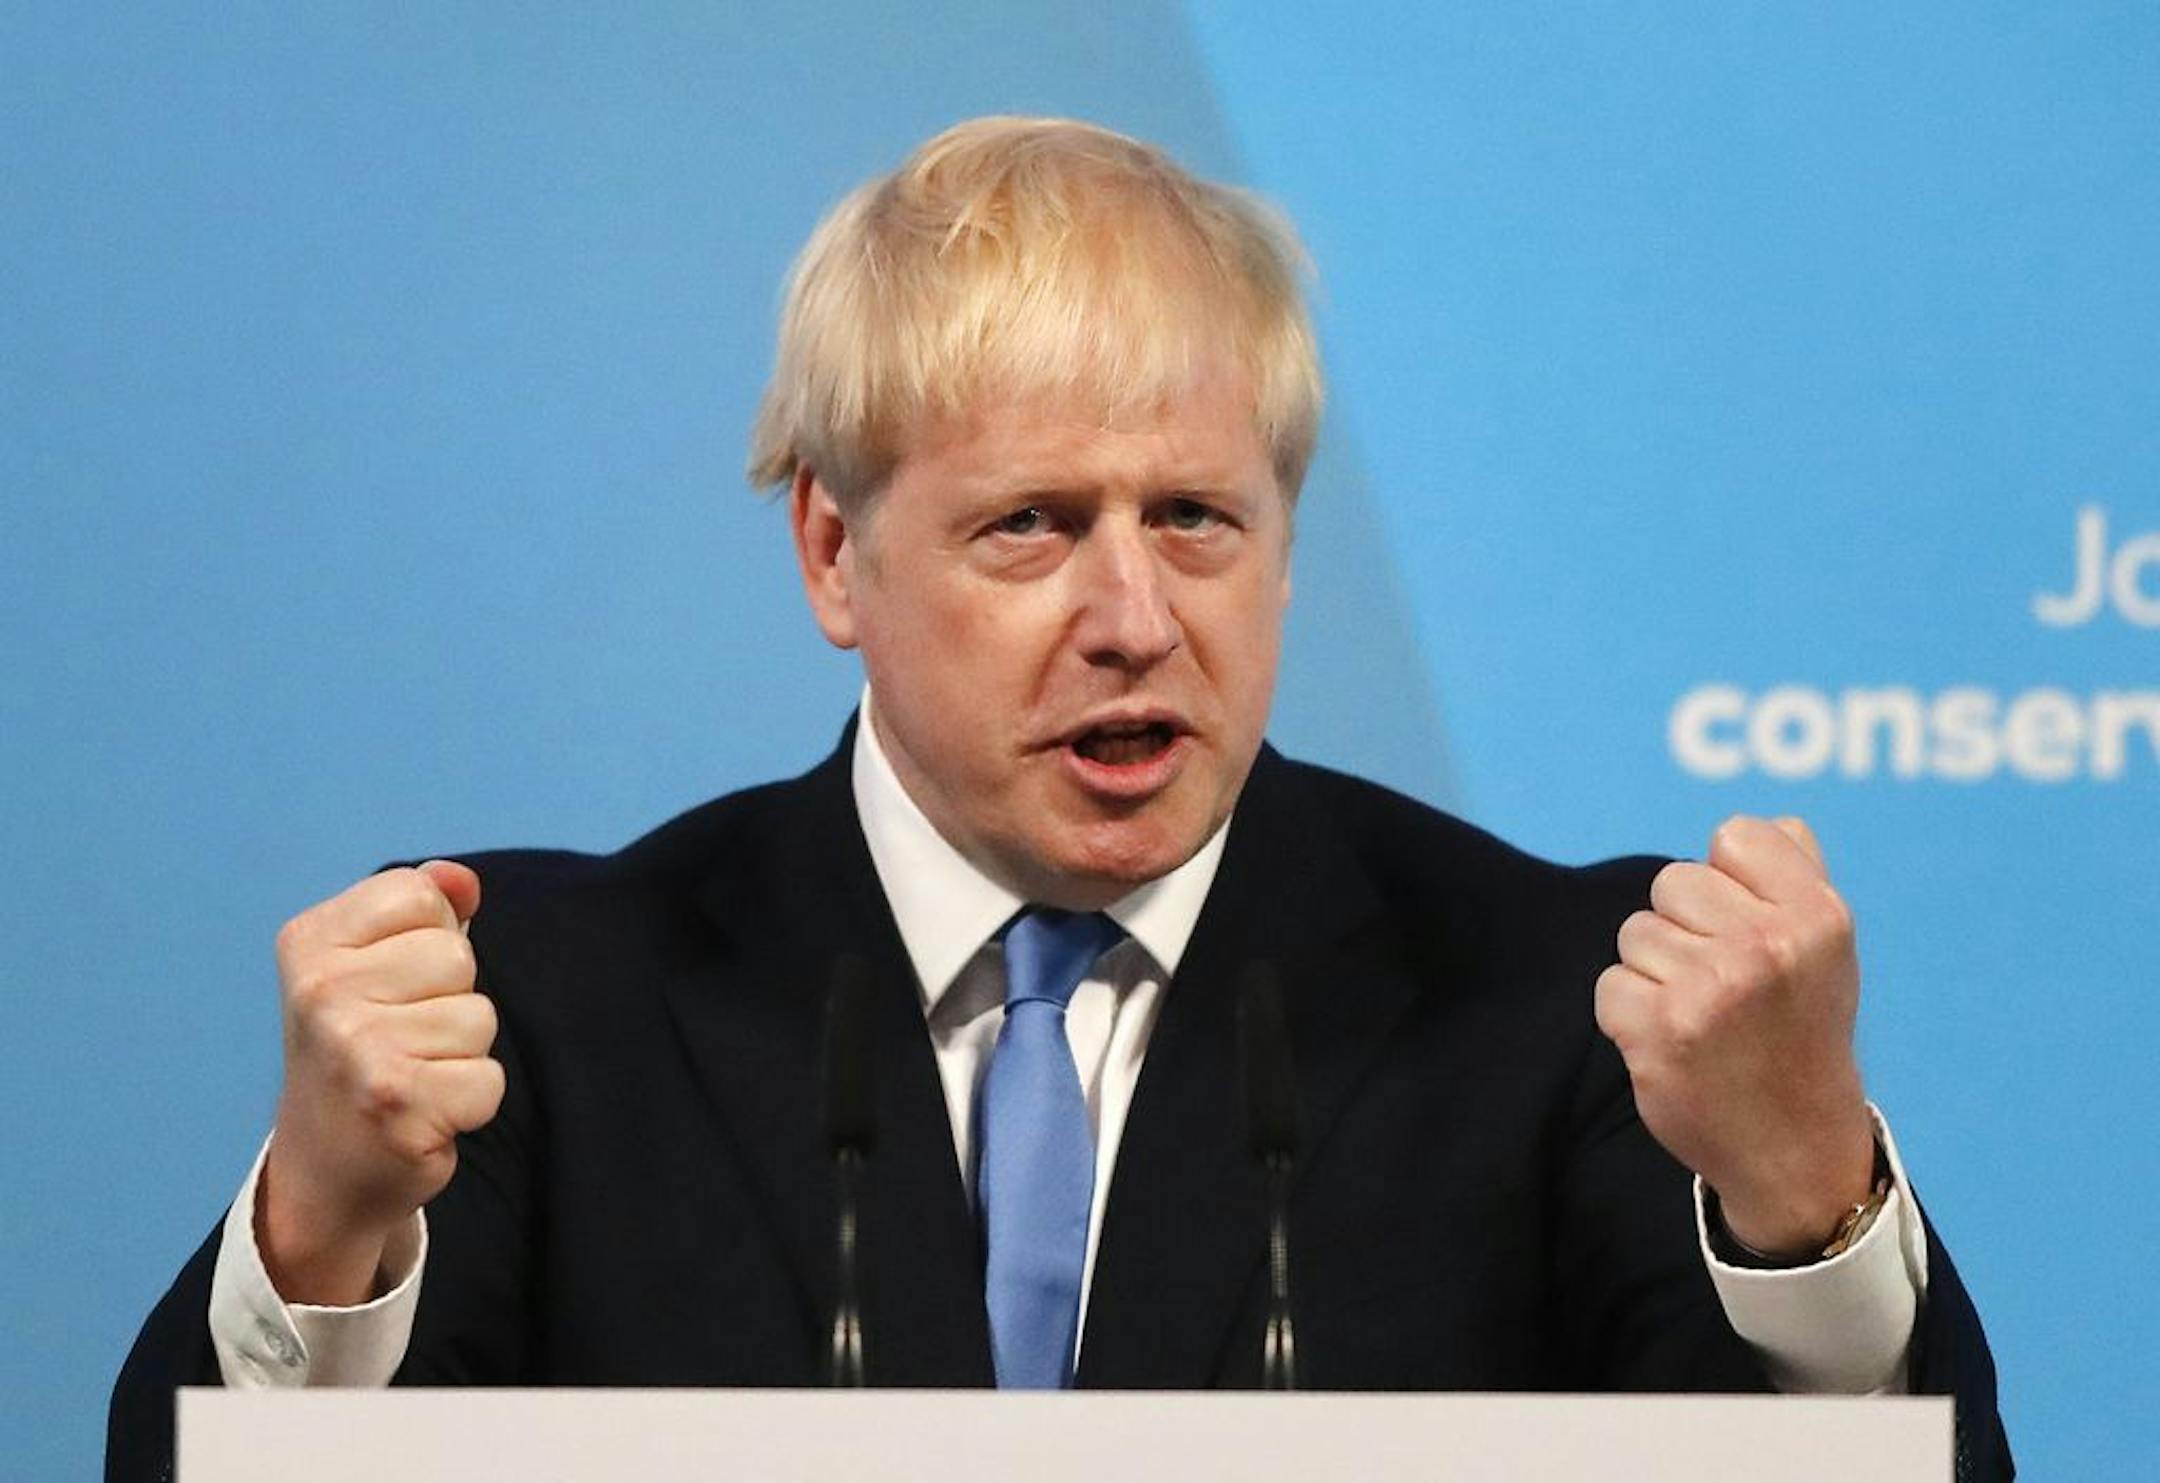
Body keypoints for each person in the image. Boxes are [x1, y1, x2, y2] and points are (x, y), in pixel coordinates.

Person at [109, 116, 2011, 1478]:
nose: (1134, 619)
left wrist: (1801, 1210)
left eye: (1195, 518)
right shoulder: (533, 1001)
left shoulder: (1564, 1001)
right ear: (834, 552)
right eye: (1031, 524)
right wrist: (321, 1239)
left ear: (1284, 547)